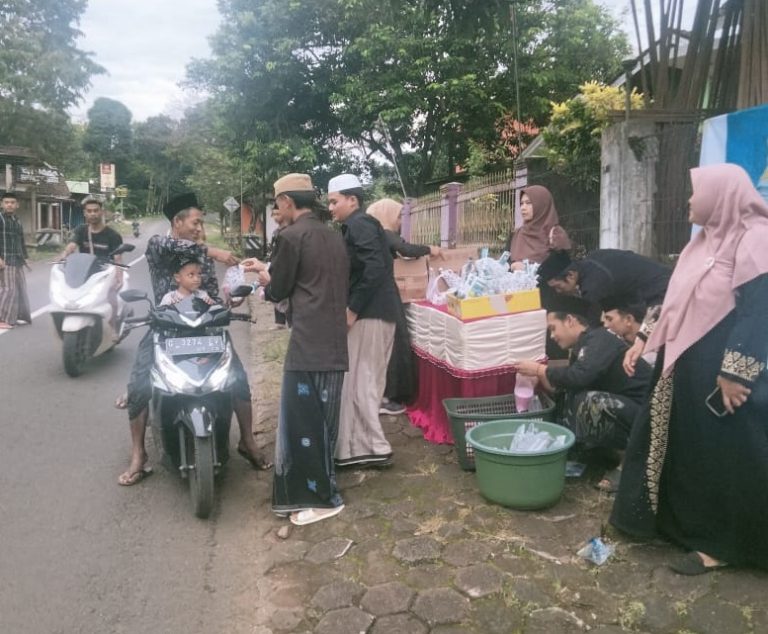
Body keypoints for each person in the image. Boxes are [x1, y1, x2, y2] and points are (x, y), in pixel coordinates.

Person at [611, 164, 768, 575]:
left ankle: (721, 545)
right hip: (685, 366)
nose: (688, 201)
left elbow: (759, 310)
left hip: (725, 376)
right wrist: (645, 336)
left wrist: (735, 372)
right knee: (688, 450)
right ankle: (679, 524)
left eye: (695, 193)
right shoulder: (701, 243)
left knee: (723, 457)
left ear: (720, 196)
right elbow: (674, 297)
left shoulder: (756, 238)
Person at [117, 193, 270, 486]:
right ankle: (138, 455)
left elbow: (211, 290)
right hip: (166, 329)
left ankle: (247, 441)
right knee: (138, 384)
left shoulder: (200, 253)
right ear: (177, 222)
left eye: (201, 223)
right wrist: (215, 251)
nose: (200, 228)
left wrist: (227, 301)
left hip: (204, 329)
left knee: (237, 377)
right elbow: (178, 245)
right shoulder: (159, 245)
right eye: (195, 222)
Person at [242, 174, 349, 525]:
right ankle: (324, 484)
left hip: (307, 343)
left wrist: (265, 280)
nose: (277, 212)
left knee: (302, 423)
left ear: (287, 201)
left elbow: (280, 289)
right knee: (324, 422)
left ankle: (322, 498)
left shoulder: (290, 237)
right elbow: (315, 281)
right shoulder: (333, 236)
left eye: (277, 205)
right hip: (333, 341)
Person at [516, 295, 652, 492]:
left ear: (570, 320)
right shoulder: (584, 346)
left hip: (645, 414)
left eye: (553, 328)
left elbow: (580, 377)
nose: (552, 336)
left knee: (590, 402)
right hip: (629, 409)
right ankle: (597, 451)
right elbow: (569, 385)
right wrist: (542, 378)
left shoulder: (599, 338)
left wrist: (540, 370)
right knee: (575, 399)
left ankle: (629, 465)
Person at [328, 174, 400, 468]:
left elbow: (374, 268)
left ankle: (372, 447)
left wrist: (353, 309)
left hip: (371, 314)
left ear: (352, 200)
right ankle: (357, 446)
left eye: (334, 201)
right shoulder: (354, 227)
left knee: (364, 382)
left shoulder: (360, 224)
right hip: (374, 312)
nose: (331, 208)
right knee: (360, 381)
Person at [366, 197, 440, 414]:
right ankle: (388, 398)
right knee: (394, 344)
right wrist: (430, 248)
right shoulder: (384, 234)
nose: (400, 221)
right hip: (383, 296)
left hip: (374, 297)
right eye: (398, 216)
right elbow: (405, 249)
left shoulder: (372, 235)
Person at [549, 248, 670, 336]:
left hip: (660, 291)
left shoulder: (593, 286)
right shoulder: (594, 258)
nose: (558, 291)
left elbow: (592, 325)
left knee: (646, 338)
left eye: (558, 286)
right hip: (654, 283)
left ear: (570, 275)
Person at [61, 197, 124, 331]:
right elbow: (72, 245)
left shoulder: (113, 235)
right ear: (85, 213)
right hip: (85, 271)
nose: (93, 214)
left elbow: (118, 257)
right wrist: (63, 255)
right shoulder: (81, 230)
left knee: (111, 295)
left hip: (105, 272)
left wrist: (119, 277)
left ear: (102, 212)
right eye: (89, 211)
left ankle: (113, 326)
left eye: (96, 210)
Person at [505, 185, 571, 269]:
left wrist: (528, 269)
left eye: (528, 203)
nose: (523, 208)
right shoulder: (516, 235)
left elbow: (563, 270)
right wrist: (511, 266)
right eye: (521, 203)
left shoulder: (555, 234)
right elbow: (505, 264)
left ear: (542, 204)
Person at [0, 191, 31, 329]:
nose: (9, 205)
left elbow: (21, 241)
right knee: (8, 289)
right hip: (5, 260)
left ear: (17, 205)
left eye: (12, 202)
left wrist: (26, 258)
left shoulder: (16, 220)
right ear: (2, 204)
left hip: (17, 260)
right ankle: (2, 319)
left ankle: (15, 317)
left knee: (19, 289)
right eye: (6, 202)